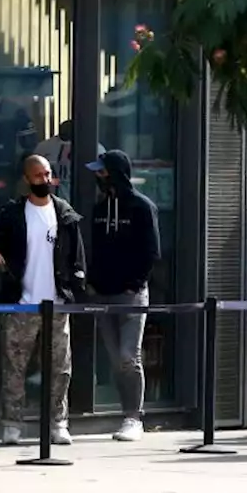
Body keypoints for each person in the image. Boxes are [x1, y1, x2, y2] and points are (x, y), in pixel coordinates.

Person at [0, 154, 86, 446]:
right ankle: (12, 424)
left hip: (57, 303)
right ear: (27, 179)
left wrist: (75, 284)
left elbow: (77, 257)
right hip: (21, 303)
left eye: (48, 174)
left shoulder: (65, 214)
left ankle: (58, 423)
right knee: (14, 366)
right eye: (39, 175)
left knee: (59, 368)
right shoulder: (13, 213)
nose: (45, 180)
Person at [87, 150, 160, 442]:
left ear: (115, 172)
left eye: (102, 172)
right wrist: (92, 283)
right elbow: (95, 249)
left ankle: (134, 417)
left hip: (130, 295)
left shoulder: (142, 206)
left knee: (130, 357)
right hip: (102, 293)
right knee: (116, 359)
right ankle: (126, 414)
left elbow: (151, 252)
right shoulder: (99, 207)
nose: (98, 177)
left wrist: (135, 284)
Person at [34, 119, 104, 201]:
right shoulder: (44, 147)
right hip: (49, 198)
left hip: (82, 199)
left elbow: (102, 173)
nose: (66, 131)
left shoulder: (93, 148)